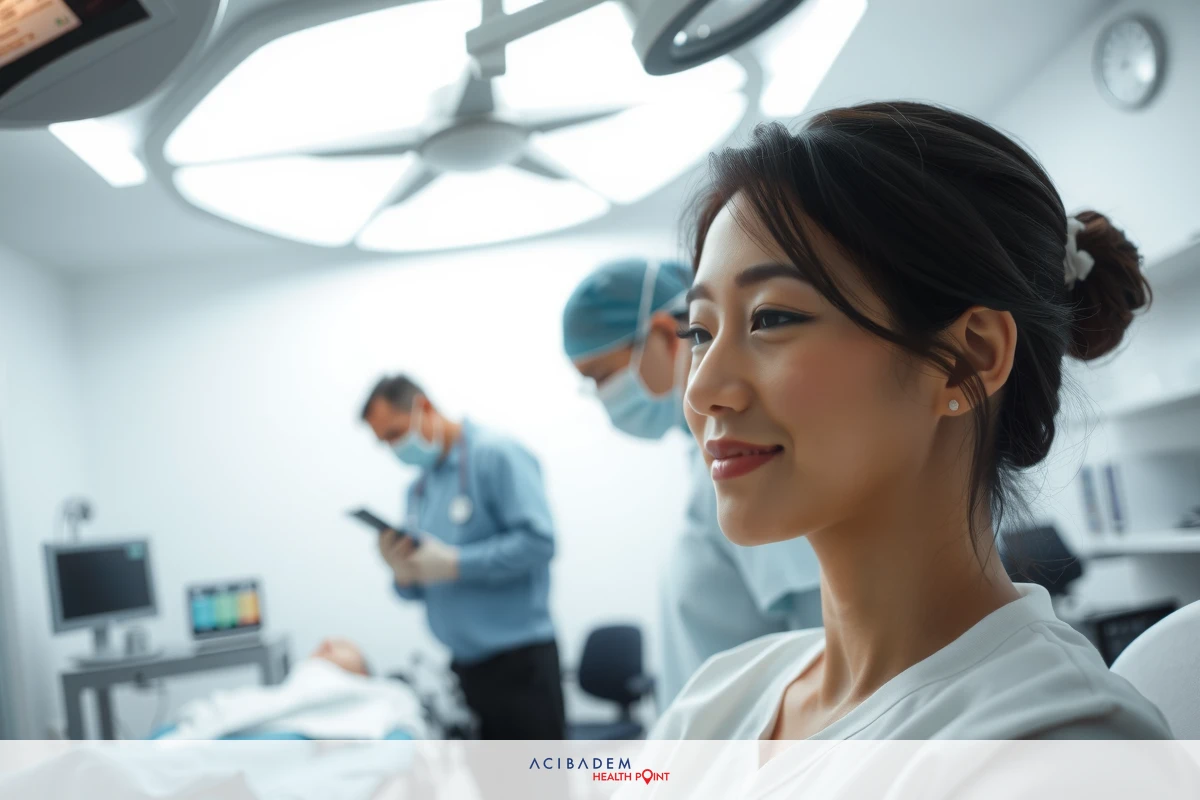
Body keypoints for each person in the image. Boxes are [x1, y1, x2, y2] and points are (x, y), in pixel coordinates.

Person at [653, 102, 1172, 741]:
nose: (702, 391)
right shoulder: (717, 700)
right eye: (701, 330)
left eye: (772, 318)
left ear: (965, 360)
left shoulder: (1058, 745)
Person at [562, 257, 822, 706]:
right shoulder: (708, 461)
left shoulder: (752, 458)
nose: (603, 398)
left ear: (665, 336)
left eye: (603, 377)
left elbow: (826, 641)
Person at [361, 375, 565, 740]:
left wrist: (456, 564)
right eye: (384, 443)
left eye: (394, 433)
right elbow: (419, 590)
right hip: (465, 672)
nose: (394, 449)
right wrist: (402, 572)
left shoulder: (496, 454)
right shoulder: (418, 488)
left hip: (521, 668)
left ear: (423, 407)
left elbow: (540, 543)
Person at [163, 637, 425, 740]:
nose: (327, 644)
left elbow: (406, 723)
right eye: (321, 646)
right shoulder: (271, 696)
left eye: (344, 648)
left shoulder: (383, 692)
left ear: (363, 673)